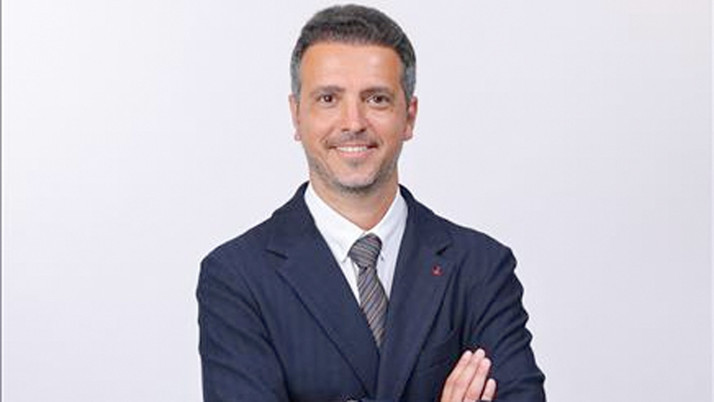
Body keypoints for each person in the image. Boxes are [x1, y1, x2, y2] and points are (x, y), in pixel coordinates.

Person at [197, 4, 545, 401]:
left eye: (377, 99)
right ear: (296, 116)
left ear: (409, 116)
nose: (353, 122)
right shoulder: (238, 276)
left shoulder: (480, 267)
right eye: (328, 98)